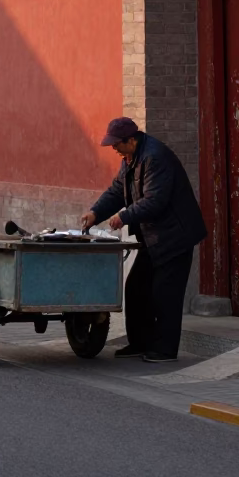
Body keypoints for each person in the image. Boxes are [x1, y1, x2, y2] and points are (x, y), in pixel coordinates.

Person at [81, 117, 207, 363]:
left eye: (117, 144)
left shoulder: (154, 157)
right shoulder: (130, 159)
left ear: (131, 140)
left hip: (174, 237)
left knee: (165, 294)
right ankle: (140, 343)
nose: (114, 149)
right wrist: (96, 213)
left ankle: (165, 350)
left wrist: (124, 216)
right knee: (137, 288)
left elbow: (155, 201)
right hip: (153, 238)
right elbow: (118, 190)